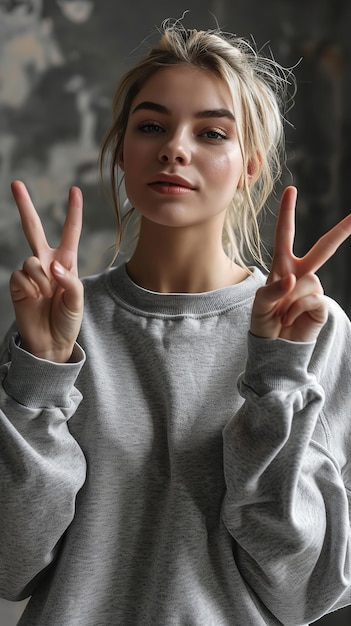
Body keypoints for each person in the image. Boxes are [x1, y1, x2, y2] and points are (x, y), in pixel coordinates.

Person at [0, 20, 351, 626]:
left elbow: (302, 591)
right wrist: (42, 372)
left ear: (249, 167)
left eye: (212, 132)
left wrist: (277, 372)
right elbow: (12, 567)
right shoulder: (56, 321)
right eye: (152, 126)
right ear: (122, 148)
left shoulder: (311, 329)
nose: (175, 148)